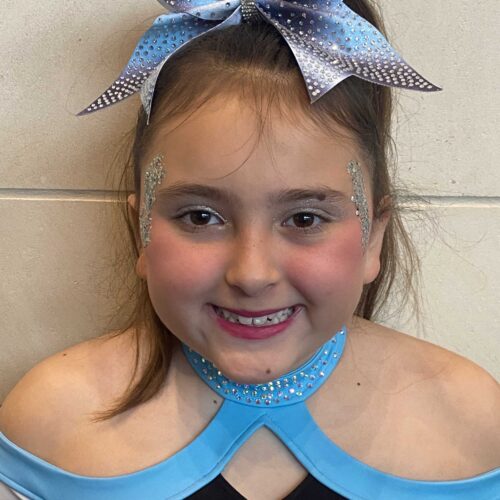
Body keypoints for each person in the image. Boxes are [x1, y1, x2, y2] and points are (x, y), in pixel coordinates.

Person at [0, 0, 499, 498]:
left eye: (305, 219)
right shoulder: (52, 423)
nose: (252, 274)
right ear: (142, 230)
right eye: (200, 217)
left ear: (374, 238)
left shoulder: (471, 426)